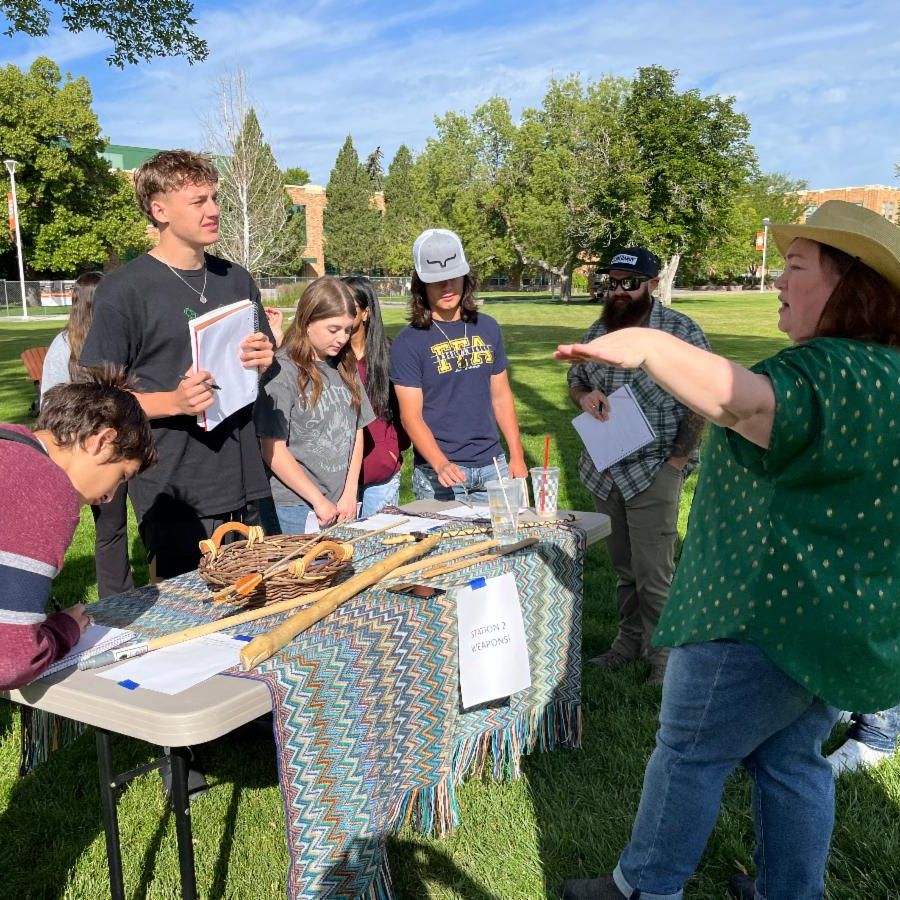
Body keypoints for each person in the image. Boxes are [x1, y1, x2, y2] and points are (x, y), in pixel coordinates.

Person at [555, 200, 900, 900]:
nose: (777, 280)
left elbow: (747, 406)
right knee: (791, 760)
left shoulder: (828, 370)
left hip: (758, 615)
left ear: (850, 286)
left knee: (688, 754)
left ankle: (643, 888)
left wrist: (649, 347)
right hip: (828, 619)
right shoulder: (885, 371)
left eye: (796, 267)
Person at [80, 150, 275, 581]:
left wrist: (264, 357)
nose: (214, 210)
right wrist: (173, 400)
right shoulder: (124, 289)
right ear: (160, 210)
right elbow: (98, 401)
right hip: (173, 484)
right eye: (199, 201)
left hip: (242, 471)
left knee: (249, 601)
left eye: (215, 198)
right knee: (186, 614)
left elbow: (262, 356)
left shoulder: (237, 279)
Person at [567, 247, 709, 685]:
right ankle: (628, 642)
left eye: (629, 282)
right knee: (624, 568)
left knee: (654, 572)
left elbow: (701, 397)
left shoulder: (680, 331)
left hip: (655, 468)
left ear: (652, 283)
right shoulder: (600, 329)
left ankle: (665, 658)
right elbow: (577, 377)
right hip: (606, 467)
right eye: (613, 281)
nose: (620, 290)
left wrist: (677, 461)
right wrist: (584, 396)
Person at [0, 367, 156, 690]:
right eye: (122, 476)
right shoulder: (47, 488)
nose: (109, 497)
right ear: (102, 441)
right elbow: (11, 660)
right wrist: (64, 630)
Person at [391, 228, 526, 504]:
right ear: (421, 286)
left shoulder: (487, 327)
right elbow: (410, 417)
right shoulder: (408, 342)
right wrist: (440, 463)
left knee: (505, 546)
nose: (447, 286)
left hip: (494, 467)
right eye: (437, 280)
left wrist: (517, 455)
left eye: (454, 277)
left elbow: (500, 396)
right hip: (440, 475)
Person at [254, 277, 374, 533]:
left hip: (342, 502)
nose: (342, 338)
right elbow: (272, 448)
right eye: (333, 330)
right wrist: (317, 500)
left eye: (347, 330)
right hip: (296, 507)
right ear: (307, 321)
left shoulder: (345, 365)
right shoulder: (281, 371)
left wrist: (350, 492)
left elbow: (357, 428)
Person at [41, 272, 134, 599]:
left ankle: (125, 593)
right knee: (111, 527)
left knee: (115, 528)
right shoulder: (64, 346)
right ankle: (118, 599)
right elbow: (51, 406)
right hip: (96, 454)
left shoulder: (119, 337)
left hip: (128, 444)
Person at [343, 275, 410, 516]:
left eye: (350, 307)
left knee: (379, 547)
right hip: (337, 477)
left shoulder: (390, 355)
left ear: (366, 313)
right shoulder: (329, 359)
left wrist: (391, 449)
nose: (341, 313)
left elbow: (404, 412)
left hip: (380, 473)